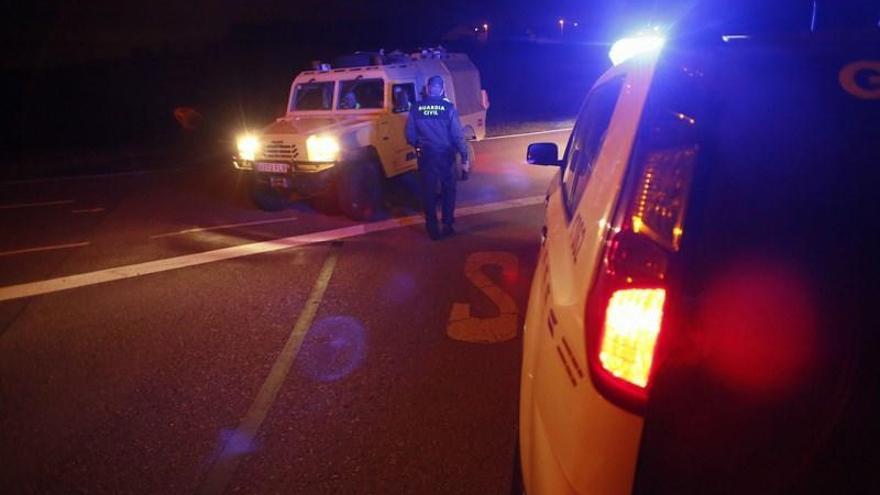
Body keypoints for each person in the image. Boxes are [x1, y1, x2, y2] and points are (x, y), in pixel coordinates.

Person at [405, 75, 470, 240]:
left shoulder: (416, 108)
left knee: (428, 192)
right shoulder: (448, 108)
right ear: (442, 89)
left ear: (427, 89)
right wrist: (464, 157)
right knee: (449, 190)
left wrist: (419, 145)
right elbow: (457, 136)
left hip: (426, 156)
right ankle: (447, 225)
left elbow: (409, 135)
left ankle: (432, 229)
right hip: (446, 156)